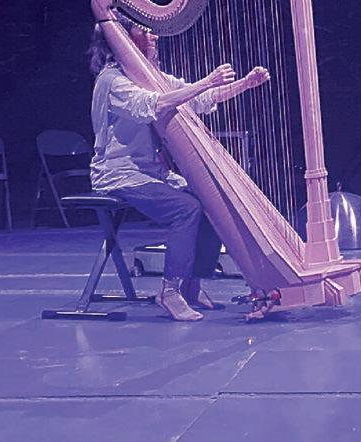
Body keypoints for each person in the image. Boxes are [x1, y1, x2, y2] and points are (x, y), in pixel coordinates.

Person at [88, 17, 270, 321]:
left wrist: (244, 84)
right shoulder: (112, 80)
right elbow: (153, 105)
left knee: (211, 200)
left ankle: (190, 285)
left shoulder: (148, 76)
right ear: (123, 39)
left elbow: (199, 98)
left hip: (151, 173)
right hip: (120, 174)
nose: (153, 37)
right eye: (144, 31)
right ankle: (169, 291)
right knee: (185, 209)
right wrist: (207, 81)